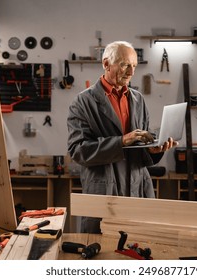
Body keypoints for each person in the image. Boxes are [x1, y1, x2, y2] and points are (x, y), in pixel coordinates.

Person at [67, 41, 178, 233]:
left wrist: (153, 149)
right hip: (104, 186)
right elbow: (78, 151)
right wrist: (121, 141)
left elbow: (141, 145)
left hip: (137, 184)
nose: (131, 72)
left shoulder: (138, 99)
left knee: (140, 246)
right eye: (125, 65)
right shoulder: (83, 102)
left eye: (134, 66)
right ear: (106, 63)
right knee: (100, 248)